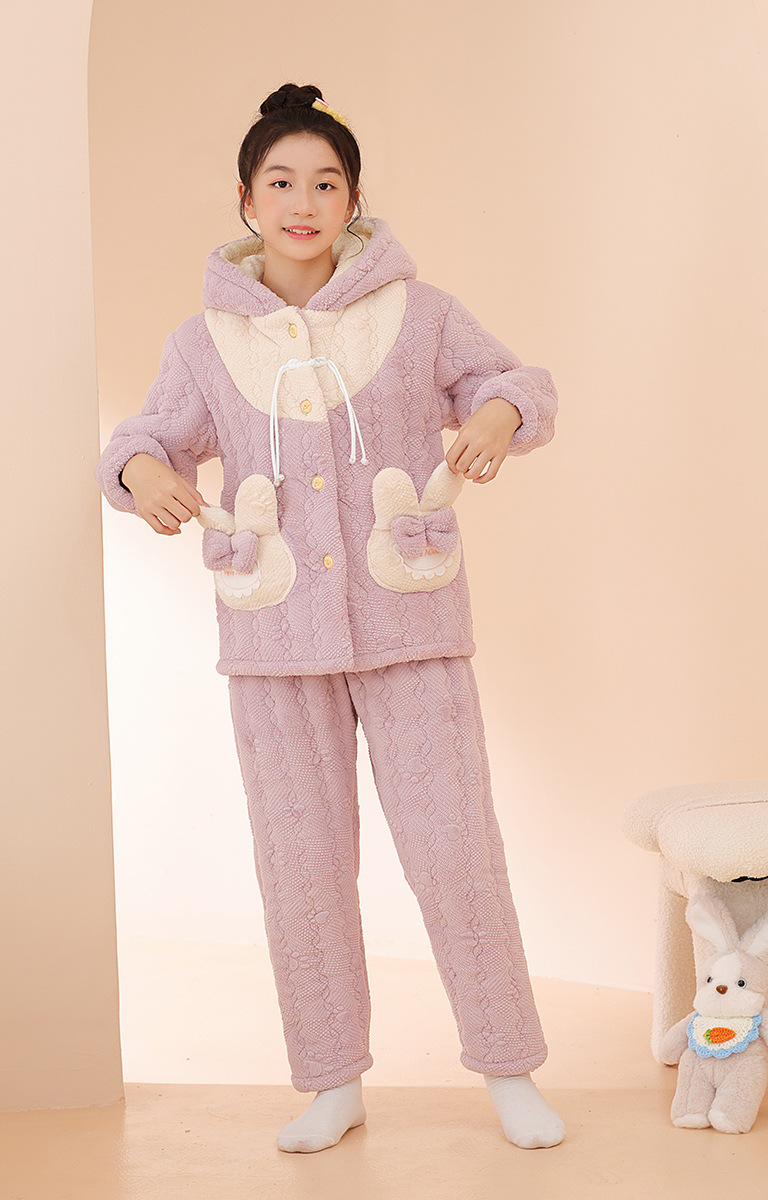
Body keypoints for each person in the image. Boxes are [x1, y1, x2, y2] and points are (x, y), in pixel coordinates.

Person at [94, 81, 563, 1155]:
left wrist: (498, 414)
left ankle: (508, 1068)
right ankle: (330, 1082)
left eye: (324, 183)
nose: (301, 202)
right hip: (272, 639)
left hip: (411, 623)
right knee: (299, 868)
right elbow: (144, 440)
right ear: (246, 200)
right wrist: (142, 473)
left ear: (352, 201)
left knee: (455, 850)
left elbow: (515, 382)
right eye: (280, 182)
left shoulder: (420, 313)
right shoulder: (204, 342)